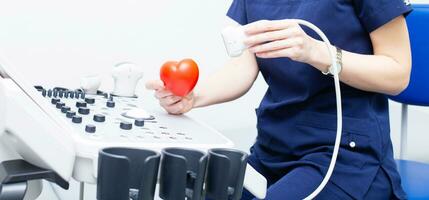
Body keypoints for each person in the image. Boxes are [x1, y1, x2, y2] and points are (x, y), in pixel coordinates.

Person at [146, 0, 412, 199]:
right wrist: (194, 97)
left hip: (342, 154)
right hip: (272, 148)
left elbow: (397, 73)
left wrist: (316, 51)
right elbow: (243, 68)